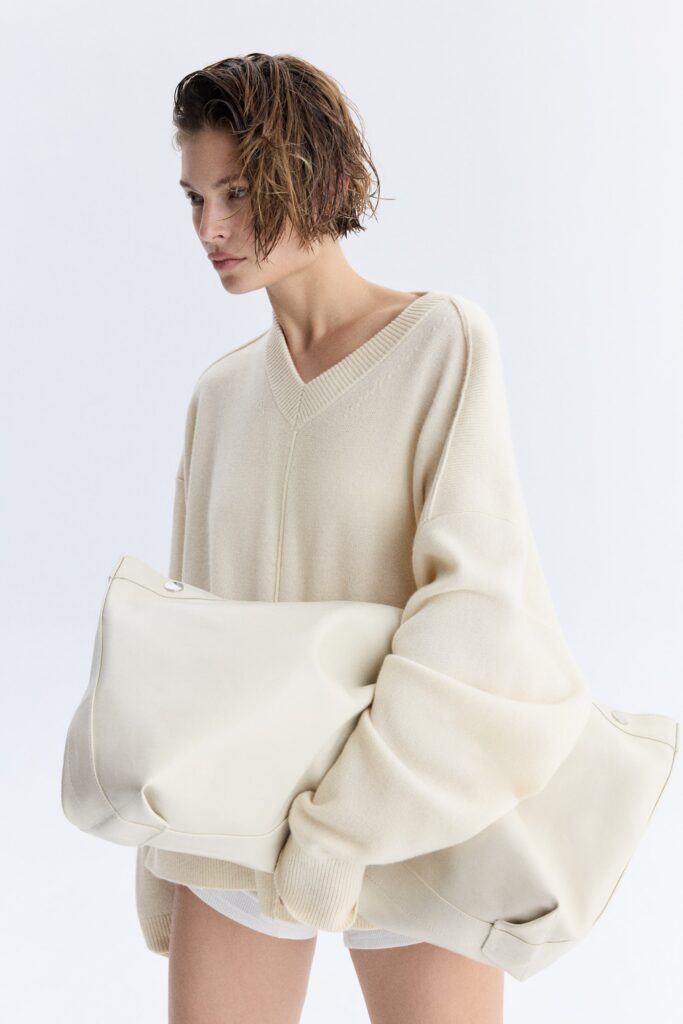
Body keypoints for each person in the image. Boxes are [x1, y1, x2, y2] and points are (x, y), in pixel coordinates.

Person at [152, 51, 509, 1024]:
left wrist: (340, 833)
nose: (211, 228)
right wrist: (162, 856)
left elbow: (472, 609)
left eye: (237, 193)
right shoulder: (221, 394)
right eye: (195, 198)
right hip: (234, 823)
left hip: (405, 812)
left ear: (328, 179)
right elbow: (190, 637)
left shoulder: (439, 345)